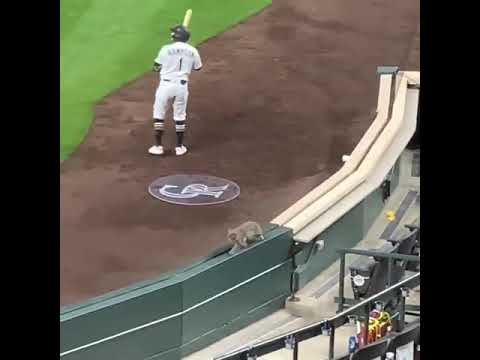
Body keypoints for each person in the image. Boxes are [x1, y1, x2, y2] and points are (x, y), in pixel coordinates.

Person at [149, 25, 203, 156]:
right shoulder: (193, 50)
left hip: (165, 85)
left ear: (175, 36)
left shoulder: (165, 49)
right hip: (181, 87)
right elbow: (198, 68)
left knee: (159, 113)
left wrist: (166, 66)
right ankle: (179, 147)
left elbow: (155, 68)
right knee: (179, 115)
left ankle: (158, 146)